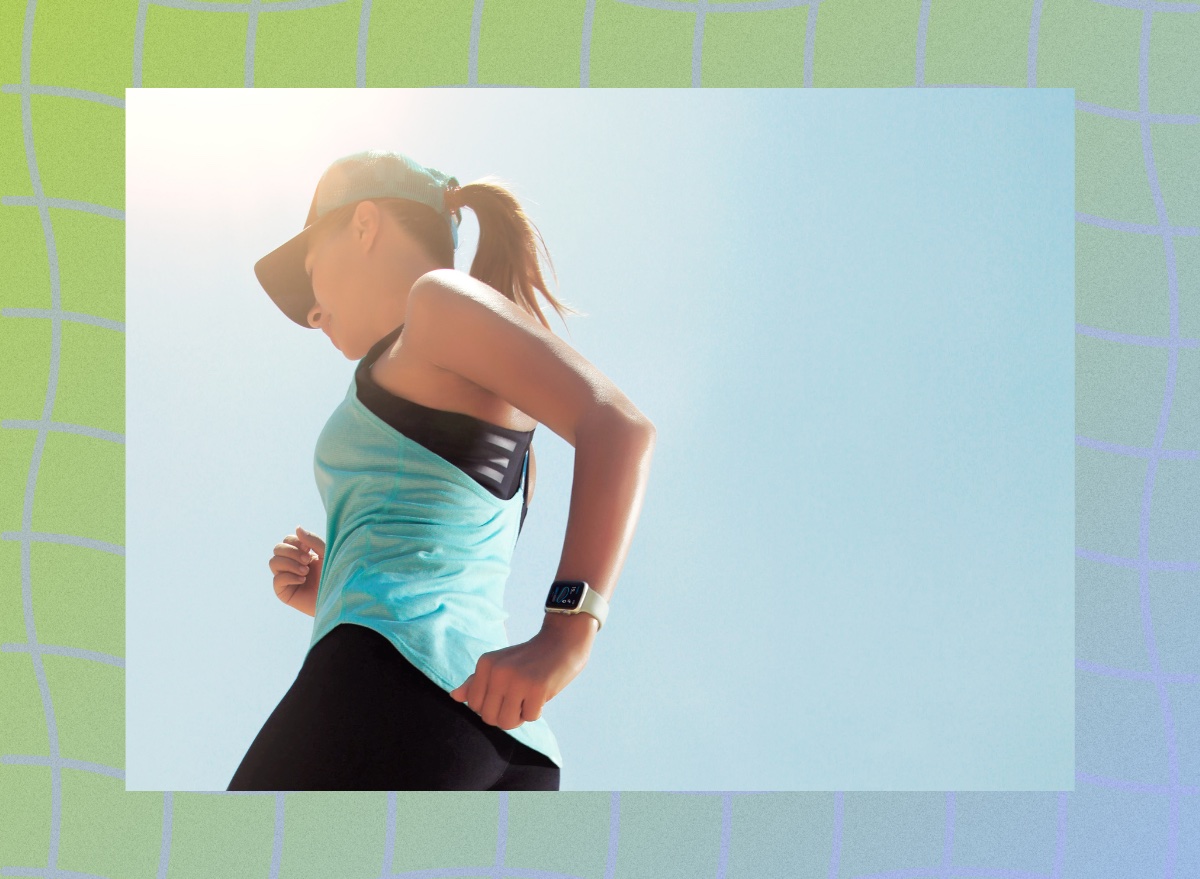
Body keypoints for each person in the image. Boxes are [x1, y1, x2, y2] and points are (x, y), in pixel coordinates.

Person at [225, 149, 656, 791]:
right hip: (509, 744)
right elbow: (445, 563)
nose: (312, 312)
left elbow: (620, 428)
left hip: (390, 689)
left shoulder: (435, 303)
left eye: (311, 270)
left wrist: (566, 637)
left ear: (364, 225)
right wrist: (333, 587)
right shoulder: (466, 365)